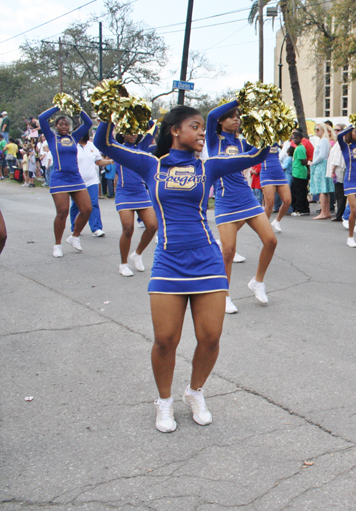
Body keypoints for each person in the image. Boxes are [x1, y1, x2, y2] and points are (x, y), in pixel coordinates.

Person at [94, 106, 268, 433]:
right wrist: (112, 108)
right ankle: (164, 402)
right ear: (175, 130)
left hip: (207, 261)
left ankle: (194, 392)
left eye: (204, 126)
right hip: (169, 261)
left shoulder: (210, 166)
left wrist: (265, 118)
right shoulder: (150, 164)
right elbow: (104, 143)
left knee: (211, 338)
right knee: (164, 340)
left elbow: (259, 153)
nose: (203, 132)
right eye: (195, 126)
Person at [206, 100, 278, 314]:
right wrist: (241, 98)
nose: (236, 118)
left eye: (238, 115)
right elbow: (210, 116)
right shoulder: (213, 140)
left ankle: (258, 281)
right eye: (231, 116)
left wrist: (267, 133)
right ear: (221, 121)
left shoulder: (242, 142)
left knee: (271, 241)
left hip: (247, 198)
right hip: (226, 201)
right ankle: (224, 295)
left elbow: (258, 154)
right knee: (228, 251)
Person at [39, 106, 93, 258]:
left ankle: (74, 236)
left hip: (75, 177)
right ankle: (57, 244)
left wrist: (78, 109)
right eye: (61, 124)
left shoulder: (73, 137)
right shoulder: (51, 137)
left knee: (87, 209)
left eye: (66, 124)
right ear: (56, 126)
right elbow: (42, 118)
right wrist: (58, 106)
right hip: (59, 178)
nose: (64, 126)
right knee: (62, 212)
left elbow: (88, 123)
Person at [113, 128, 158, 277]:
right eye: (129, 131)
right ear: (122, 133)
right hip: (124, 193)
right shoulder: (117, 149)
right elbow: (105, 136)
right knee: (128, 228)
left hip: (140, 191)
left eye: (135, 131)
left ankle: (137, 253)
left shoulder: (141, 147)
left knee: (152, 226)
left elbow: (154, 128)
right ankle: (123, 264)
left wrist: (140, 113)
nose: (133, 134)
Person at [70, 134, 111, 237]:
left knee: (93, 203)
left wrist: (111, 161)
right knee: (76, 205)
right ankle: (75, 228)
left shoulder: (92, 146)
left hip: (92, 180)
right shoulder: (73, 146)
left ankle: (96, 228)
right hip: (77, 181)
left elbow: (98, 161)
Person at [310, 123, 334, 219]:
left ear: (323, 131)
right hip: (322, 165)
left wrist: (313, 162)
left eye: (318, 129)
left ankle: (324, 211)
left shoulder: (323, 141)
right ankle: (326, 211)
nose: (316, 131)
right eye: (315, 129)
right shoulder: (323, 140)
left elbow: (322, 155)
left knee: (322, 189)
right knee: (324, 190)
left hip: (321, 165)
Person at [289, 131, 310, 216]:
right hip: (297, 172)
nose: (295, 140)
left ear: (301, 139)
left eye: (297, 138)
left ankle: (300, 209)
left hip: (299, 173)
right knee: (300, 191)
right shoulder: (297, 148)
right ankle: (305, 209)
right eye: (294, 138)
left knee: (299, 192)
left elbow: (303, 161)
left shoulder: (300, 148)